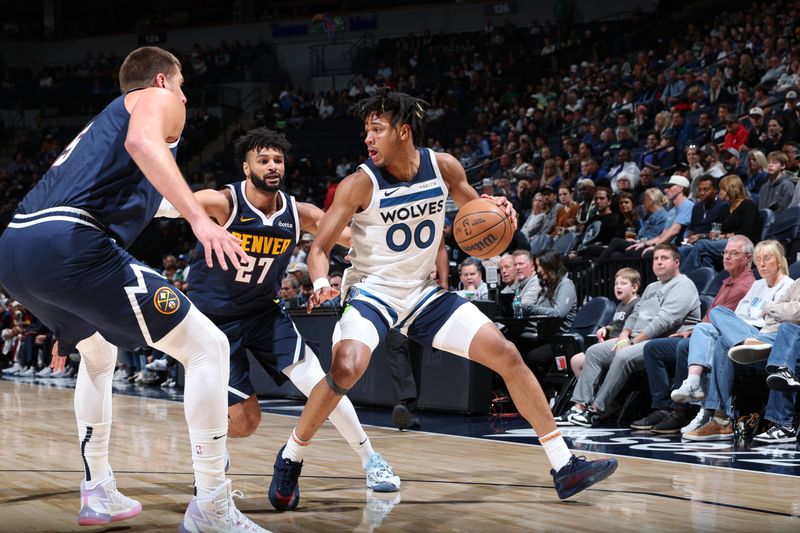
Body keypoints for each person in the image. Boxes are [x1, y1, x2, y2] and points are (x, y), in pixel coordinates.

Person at [267, 90, 617, 510]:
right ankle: (291, 457)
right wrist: (322, 282)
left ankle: (563, 465)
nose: (368, 139)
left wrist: (502, 212)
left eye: (376, 130)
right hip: (372, 290)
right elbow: (319, 248)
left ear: (403, 131)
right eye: (366, 131)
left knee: (506, 353)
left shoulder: (443, 166)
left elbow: (479, 218)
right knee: (346, 367)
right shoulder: (358, 183)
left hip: (422, 292)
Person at [0, 47, 265, 531]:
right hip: (71, 243)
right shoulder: (157, 99)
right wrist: (200, 222)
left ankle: (97, 490)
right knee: (208, 346)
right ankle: (211, 505)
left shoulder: (102, 127)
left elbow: (145, 191)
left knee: (98, 354)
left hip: (17, 247)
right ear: (162, 80)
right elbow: (144, 143)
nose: (184, 93)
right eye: (182, 83)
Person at [168, 127, 400, 493]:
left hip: (263, 313)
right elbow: (172, 205)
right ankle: (211, 438)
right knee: (245, 422)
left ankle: (371, 459)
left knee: (322, 382)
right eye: (263, 160)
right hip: (213, 323)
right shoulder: (223, 203)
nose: (272, 166)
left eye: (277, 160)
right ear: (246, 168)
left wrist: (400, 235)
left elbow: (349, 236)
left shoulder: (298, 212)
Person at [565, 244, 701, 427]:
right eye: (656, 258)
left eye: (664, 258)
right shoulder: (652, 286)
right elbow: (635, 314)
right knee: (594, 351)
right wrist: (624, 335)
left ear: (677, 262)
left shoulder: (684, 285)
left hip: (660, 340)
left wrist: (633, 342)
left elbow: (664, 321)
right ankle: (579, 407)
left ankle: (597, 410)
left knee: (622, 355)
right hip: (635, 338)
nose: (659, 262)